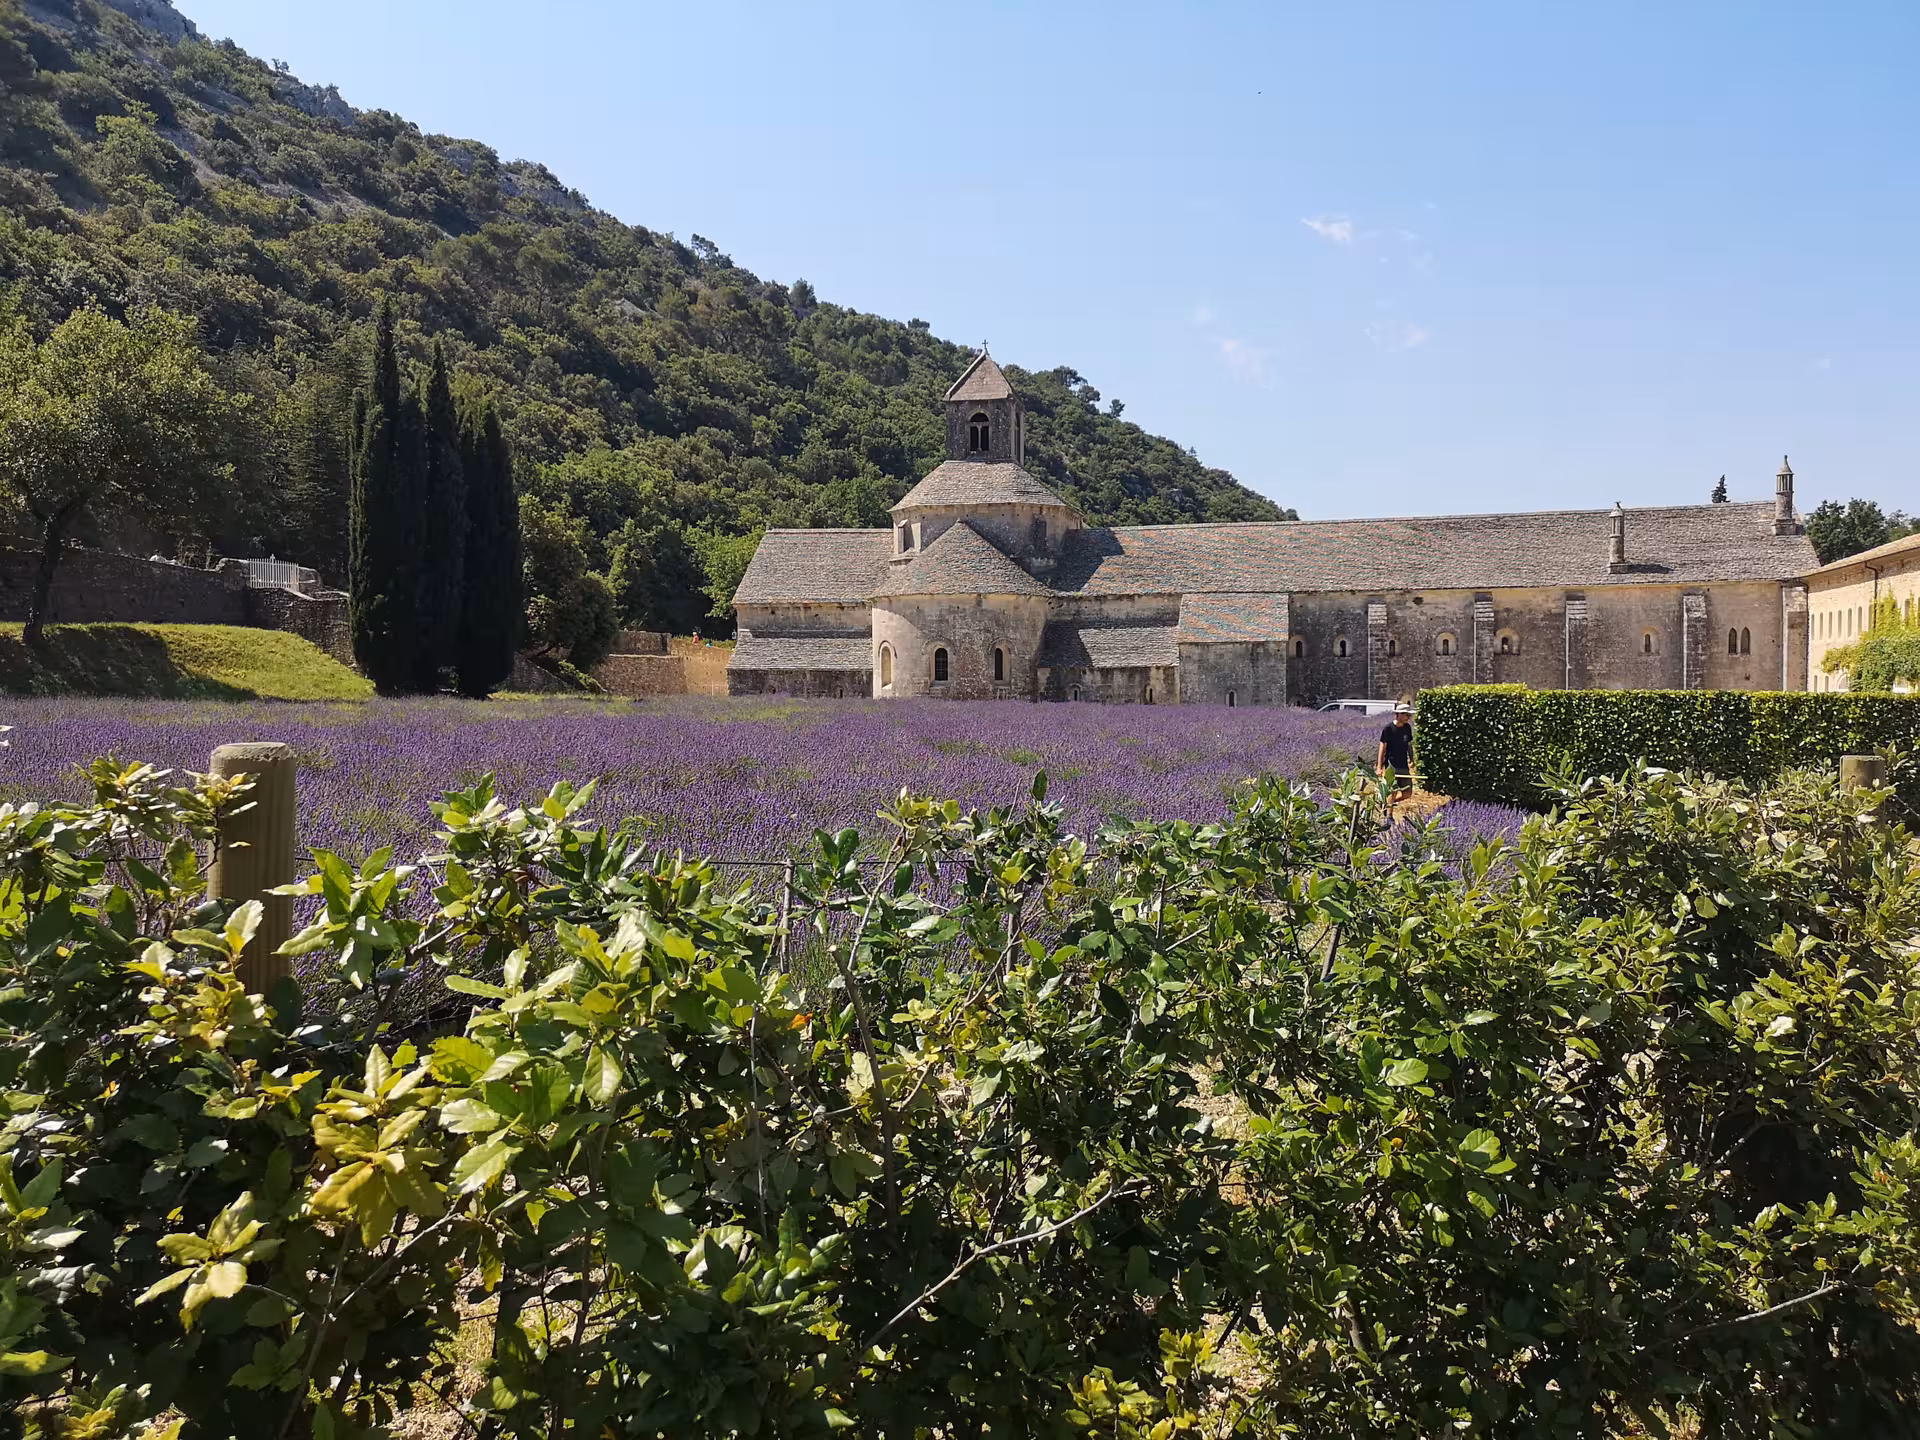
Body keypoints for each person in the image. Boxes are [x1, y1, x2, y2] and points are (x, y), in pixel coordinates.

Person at [1377, 702, 1415, 802]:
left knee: (1407, 793)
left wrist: (1412, 758)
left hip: (1403, 766)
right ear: (1399, 714)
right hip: (1391, 766)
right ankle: (1389, 815)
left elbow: (1409, 744)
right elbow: (1382, 748)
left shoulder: (1407, 728)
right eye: (1407, 715)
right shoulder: (1388, 729)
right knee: (1392, 792)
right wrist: (1379, 767)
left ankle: (1386, 805)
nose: (1409, 717)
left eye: (1409, 715)